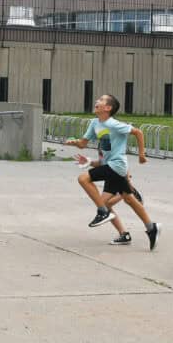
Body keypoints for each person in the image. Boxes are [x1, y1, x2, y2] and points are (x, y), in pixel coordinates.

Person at [65, 94, 160, 250]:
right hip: (110, 165)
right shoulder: (94, 123)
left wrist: (141, 155)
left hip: (117, 166)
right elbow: (83, 144)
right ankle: (149, 228)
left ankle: (103, 211)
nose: (97, 101)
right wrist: (76, 144)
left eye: (101, 100)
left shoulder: (114, 124)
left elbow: (138, 132)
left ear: (108, 108)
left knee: (84, 179)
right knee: (127, 200)